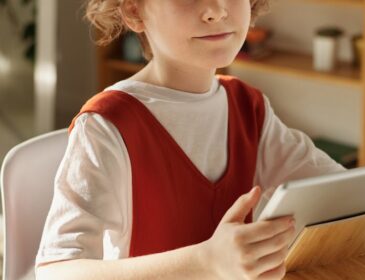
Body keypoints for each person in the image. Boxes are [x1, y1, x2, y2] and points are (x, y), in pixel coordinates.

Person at [35, 0, 345, 279]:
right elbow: (57, 271)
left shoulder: (249, 107)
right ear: (133, 10)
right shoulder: (107, 125)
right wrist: (204, 262)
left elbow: (345, 193)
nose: (218, 10)